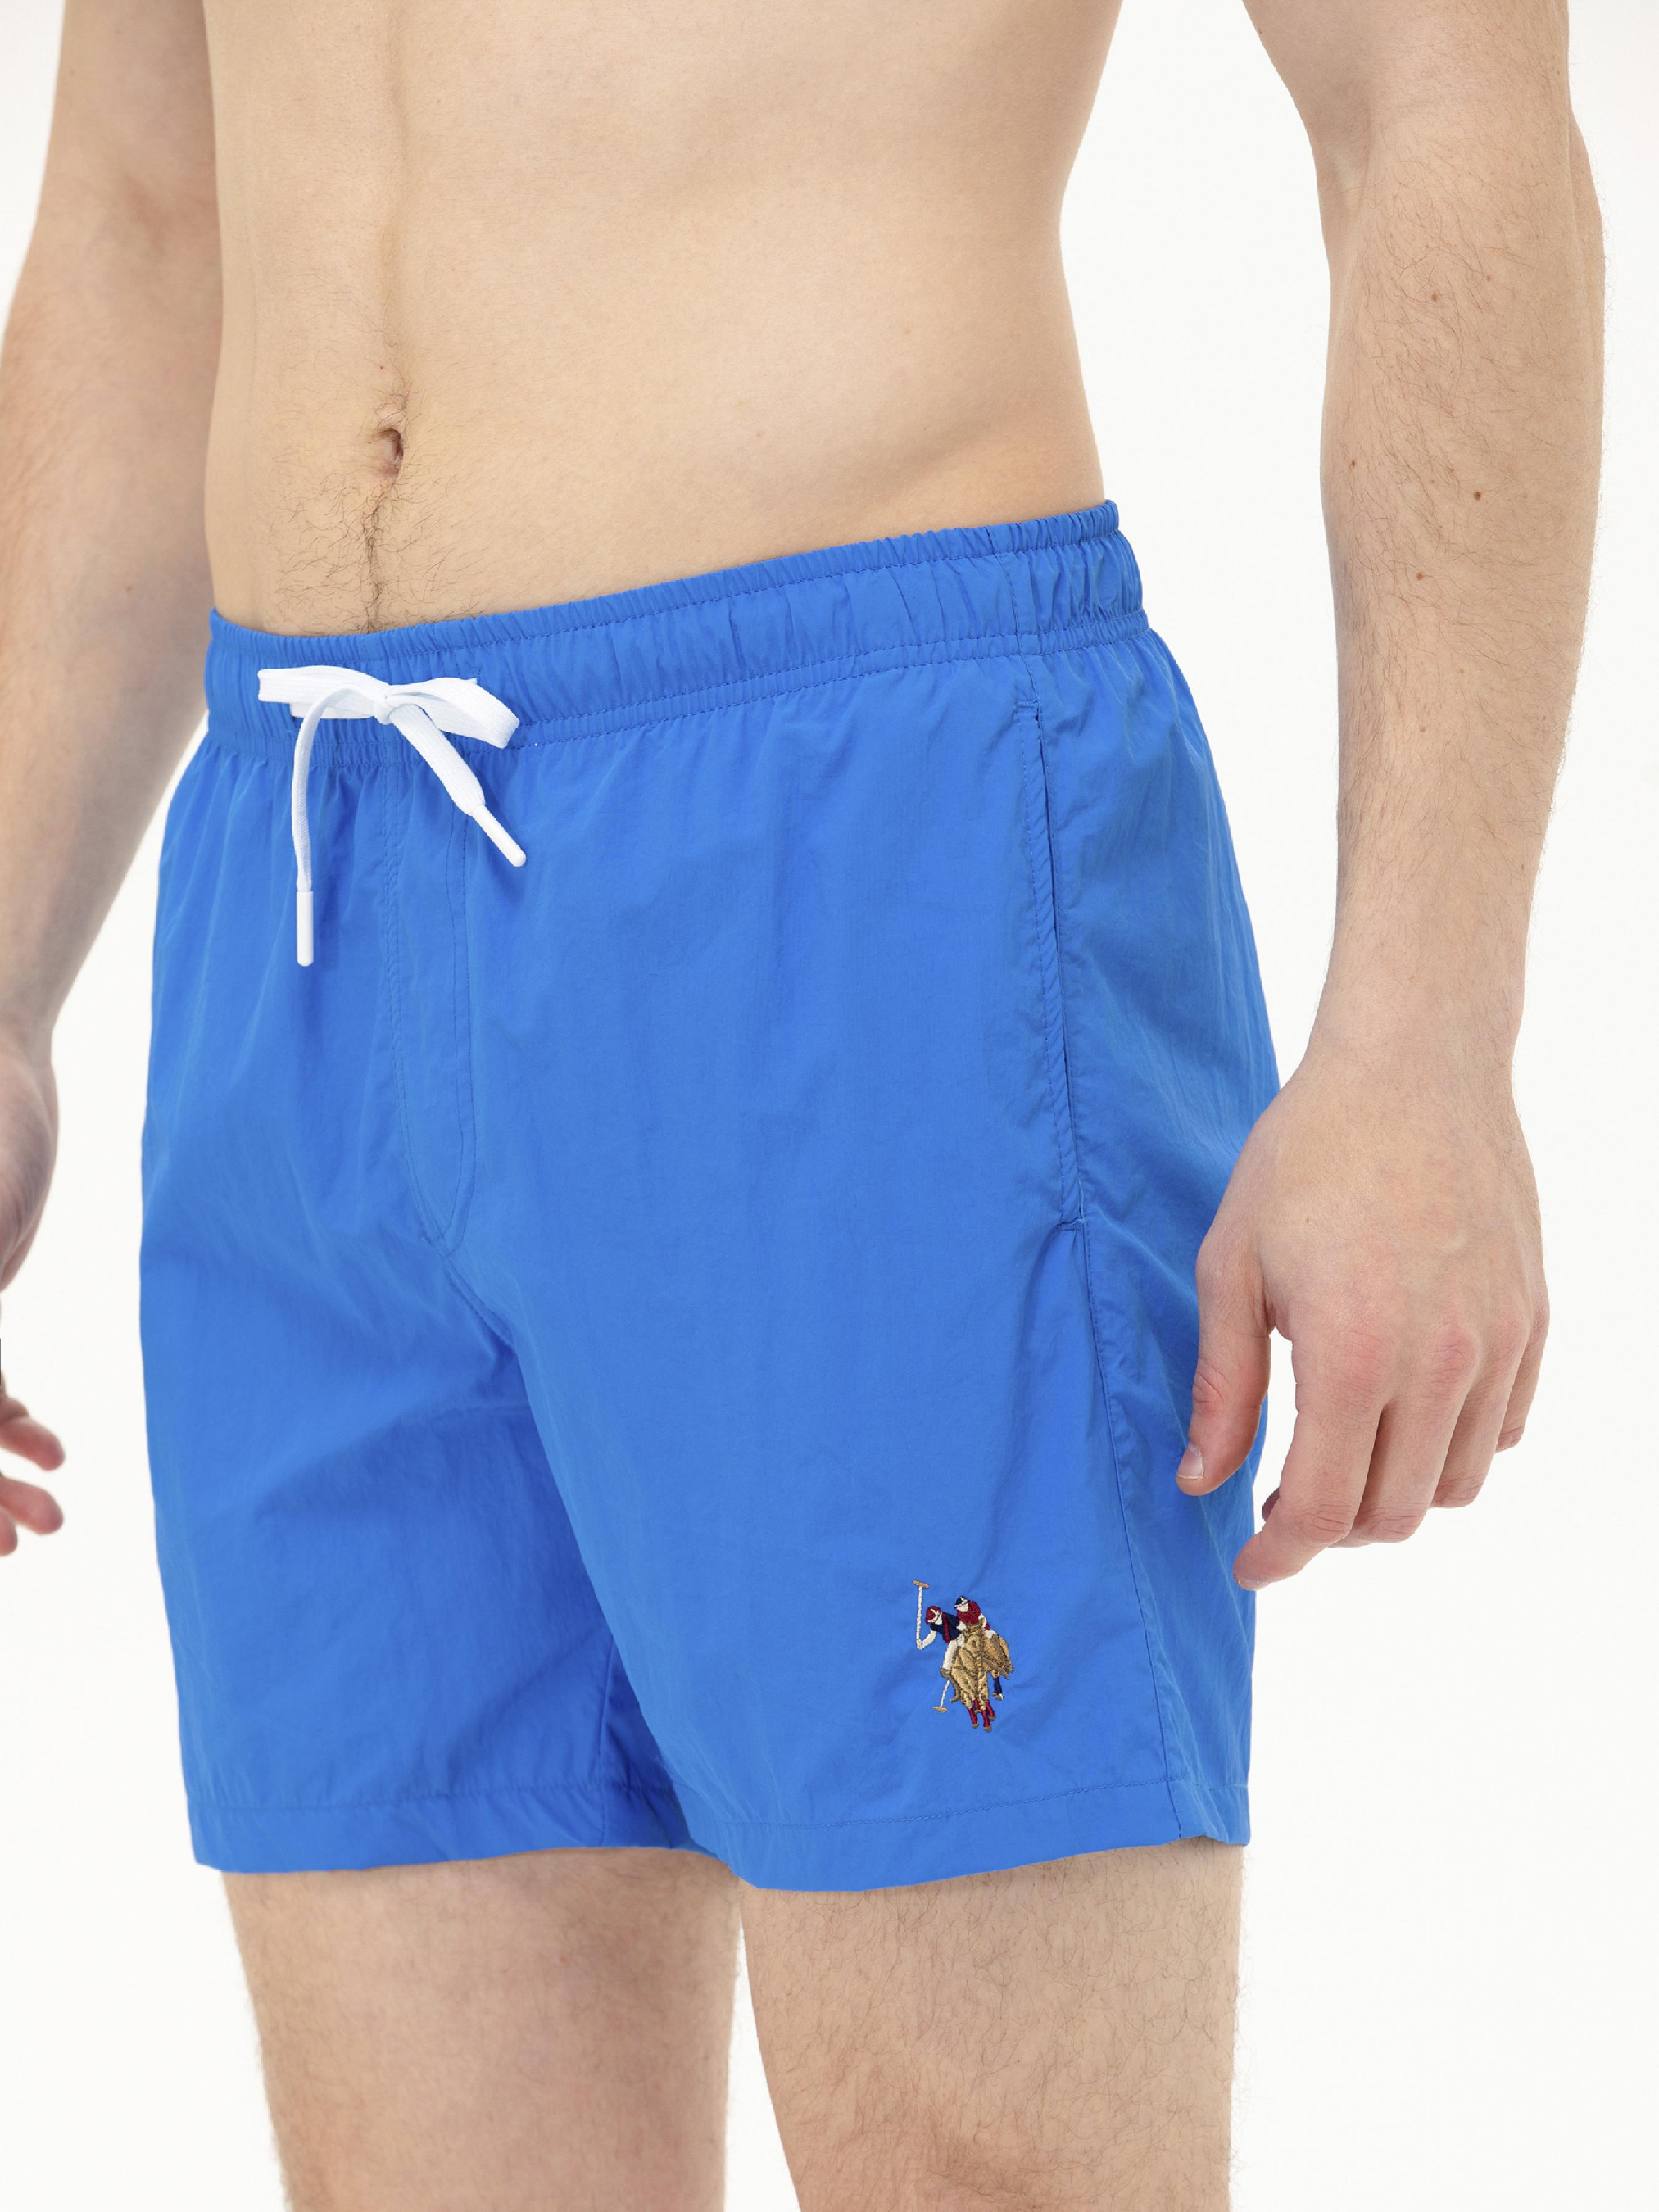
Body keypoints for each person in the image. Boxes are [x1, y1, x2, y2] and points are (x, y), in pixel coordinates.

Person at [0, 1, 1600, 2205]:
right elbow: (146, 211)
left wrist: (1426, 1029)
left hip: (862, 862)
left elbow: (1436, 100)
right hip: (309, 895)